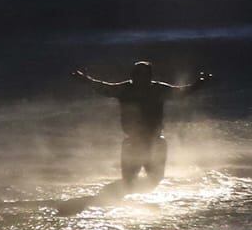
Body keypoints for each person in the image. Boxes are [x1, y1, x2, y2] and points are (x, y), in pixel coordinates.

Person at [72, 61, 213, 188]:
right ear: (132, 76)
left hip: (155, 141)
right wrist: (85, 80)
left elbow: (182, 92)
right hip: (133, 142)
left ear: (150, 76)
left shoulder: (158, 89)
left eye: (144, 75)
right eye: (137, 74)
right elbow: (103, 88)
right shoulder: (126, 89)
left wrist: (199, 84)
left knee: (155, 180)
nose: (140, 78)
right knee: (128, 181)